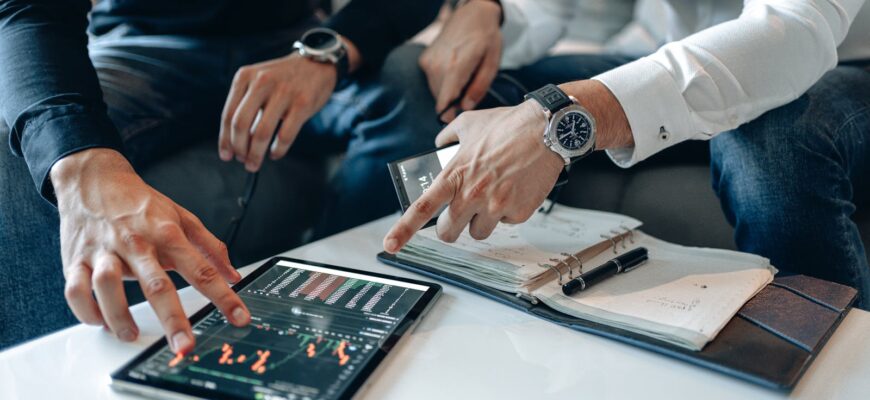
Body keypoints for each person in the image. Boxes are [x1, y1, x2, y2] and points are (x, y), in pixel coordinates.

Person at [0, 0, 441, 351]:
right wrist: (81, 163)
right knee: (16, 158)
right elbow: (30, 10)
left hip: (298, 42)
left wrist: (328, 53)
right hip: (142, 47)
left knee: (419, 93)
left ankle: (348, 303)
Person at [383, 0, 870, 308]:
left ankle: (833, 365)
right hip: (667, 50)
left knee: (769, 131)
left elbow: (793, 34)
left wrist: (561, 120)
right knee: (485, 89)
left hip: (841, 61)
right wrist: (489, 9)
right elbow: (545, 10)